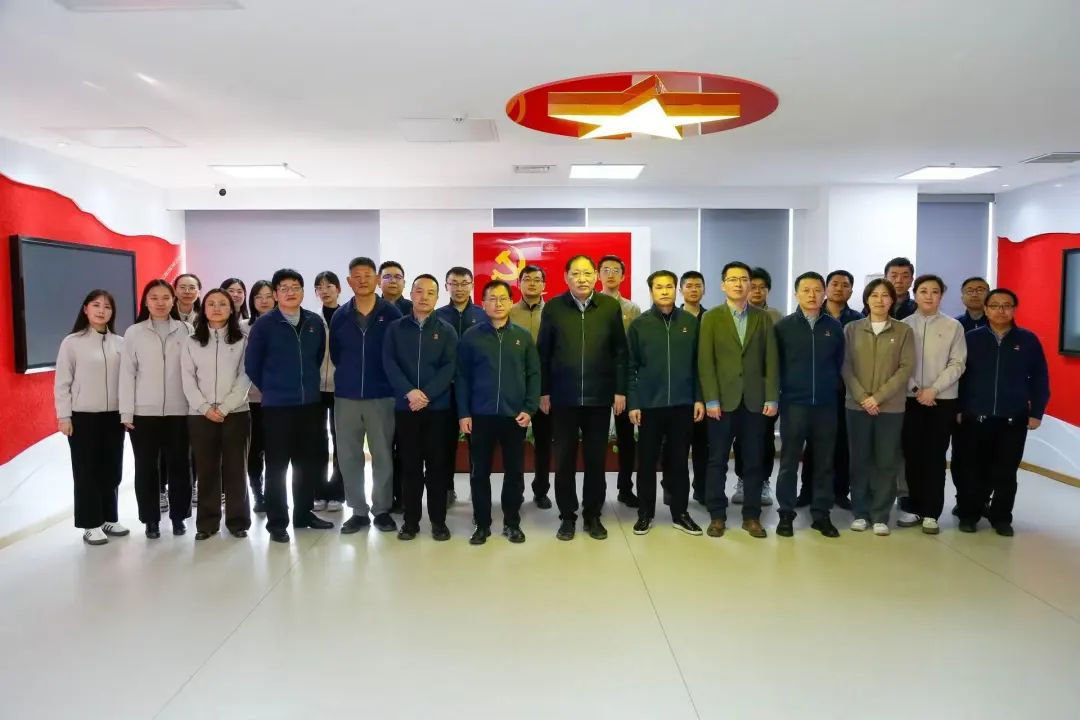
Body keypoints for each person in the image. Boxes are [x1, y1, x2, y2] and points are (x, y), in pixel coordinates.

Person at [537, 255, 628, 541]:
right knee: (564, 460)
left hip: (599, 398)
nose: (582, 278)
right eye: (575, 273)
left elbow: (620, 352)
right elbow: (543, 353)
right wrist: (544, 391)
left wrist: (620, 390)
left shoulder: (609, 307)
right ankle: (567, 516)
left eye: (587, 273)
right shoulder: (554, 308)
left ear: (595, 276)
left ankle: (593, 515)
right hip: (563, 398)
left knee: (595, 460)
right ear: (566, 277)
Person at [244, 269, 334, 543]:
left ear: (303, 291)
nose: (290, 292)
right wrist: (273, 388)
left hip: (309, 405)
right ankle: (277, 522)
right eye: (284, 288)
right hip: (277, 407)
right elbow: (252, 365)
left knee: (307, 463)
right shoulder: (264, 325)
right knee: (277, 466)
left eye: (296, 287)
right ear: (275, 294)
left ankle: (303, 514)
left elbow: (317, 357)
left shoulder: (314, 322)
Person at [955, 289, 1050, 536]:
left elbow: (1040, 378)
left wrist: (1036, 412)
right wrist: (959, 409)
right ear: (986, 310)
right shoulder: (970, 339)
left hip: (1013, 418)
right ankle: (969, 515)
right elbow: (959, 377)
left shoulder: (1028, 340)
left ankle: (1001, 518)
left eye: (1006, 305)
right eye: (995, 305)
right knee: (971, 470)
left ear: (1014, 309)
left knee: (1006, 472)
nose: (1001, 310)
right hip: (975, 417)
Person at [698, 261, 779, 539]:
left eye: (744, 279)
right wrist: (710, 399)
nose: (739, 284)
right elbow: (705, 361)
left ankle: (752, 516)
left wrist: (772, 396)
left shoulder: (762, 318)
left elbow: (771, 360)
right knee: (717, 461)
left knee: (754, 461)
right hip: (721, 403)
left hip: (755, 402)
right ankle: (717, 515)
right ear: (723, 285)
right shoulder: (711, 318)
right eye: (732, 279)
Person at [458, 279, 540, 544]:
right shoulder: (471, 336)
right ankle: (482, 524)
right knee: (479, 473)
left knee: (514, 472)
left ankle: (512, 523)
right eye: (492, 298)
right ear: (483, 303)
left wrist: (529, 408)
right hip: (480, 417)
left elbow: (534, 375)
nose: (498, 303)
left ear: (510, 302)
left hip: (514, 417)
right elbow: (462, 377)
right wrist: (463, 413)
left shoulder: (523, 337)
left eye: (503, 298)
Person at [627, 270, 704, 535]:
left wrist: (698, 398)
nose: (664, 291)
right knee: (646, 463)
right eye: (658, 287)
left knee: (679, 462)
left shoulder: (690, 323)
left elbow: (698, 365)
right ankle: (645, 513)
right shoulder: (639, 325)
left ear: (676, 290)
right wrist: (634, 402)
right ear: (651, 291)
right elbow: (630, 367)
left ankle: (680, 513)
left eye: (669, 286)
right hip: (650, 406)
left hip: (682, 405)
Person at [330, 257, 402, 536]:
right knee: (348, 456)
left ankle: (381, 510)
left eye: (367, 275)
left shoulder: (392, 314)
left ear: (377, 280)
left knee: (383, 454)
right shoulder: (340, 315)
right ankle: (358, 511)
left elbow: (397, 353)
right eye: (356, 276)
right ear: (349, 282)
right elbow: (336, 354)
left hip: (382, 395)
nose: (362, 280)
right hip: (346, 396)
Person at [384, 275, 458, 541]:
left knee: (437, 468)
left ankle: (438, 521)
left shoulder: (447, 330)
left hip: (438, 410)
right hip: (406, 409)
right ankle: (410, 522)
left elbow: (450, 366)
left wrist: (426, 394)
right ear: (411, 294)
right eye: (419, 291)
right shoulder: (395, 328)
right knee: (410, 467)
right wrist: (410, 392)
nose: (424, 296)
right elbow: (389, 363)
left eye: (430, 292)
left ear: (437, 297)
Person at [773, 272, 845, 538]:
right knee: (789, 462)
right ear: (796, 294)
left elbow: (839, 363)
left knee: (824, 462)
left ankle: (821, 514)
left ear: (824, 293)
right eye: (806, 290)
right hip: (795, 404)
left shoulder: (834, 327)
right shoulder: (783, 327)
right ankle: (786, 513)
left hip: (826, 405)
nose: (812, 295)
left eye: (817, 290)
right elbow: (776, 365)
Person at [119, 279, 192, 539]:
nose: (160, 303)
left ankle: (179, 517)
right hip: (143, 414)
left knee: (180, 466)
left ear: (173, 300)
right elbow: (127, 374)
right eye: (154, 298)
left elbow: (193, 371)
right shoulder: (134, 332)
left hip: (180, 412)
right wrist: (126, 412)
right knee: (146, 468)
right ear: (146, 301)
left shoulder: (186, 330)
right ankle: (150, 520)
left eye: (165, 297)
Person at [54, 290, 128, 546]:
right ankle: (90, 523)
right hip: (83, 417)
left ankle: (109, 518)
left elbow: (128, 381)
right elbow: (62, 383)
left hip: (114, 417)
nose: (101, 310)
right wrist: (64, 416)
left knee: (112, 469)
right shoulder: (72, 342)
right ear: (86, 309)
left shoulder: (120, 343)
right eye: (96, 305)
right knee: (87, 471)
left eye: (107, 306)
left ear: (112, 312)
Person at [842, 278, 914, 536]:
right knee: (859, 460)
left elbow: (905, 368)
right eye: (874, 295)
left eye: (885, 295)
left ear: (892, 300)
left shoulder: (903, 331)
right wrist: (863, 397)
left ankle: (881, 515)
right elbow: (845, 365)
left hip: (890, 408)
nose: (879, 300)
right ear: (866, 299)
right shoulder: (851, 329)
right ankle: (861, 513)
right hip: (856, 406)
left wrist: (878, 397)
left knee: (886, 461)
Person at [181, 288, 252, 540]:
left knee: (236, 469)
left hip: (236, 413)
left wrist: (224, 408)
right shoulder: (191, 342)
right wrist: (204, 408)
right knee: (206, 470)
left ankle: (238, 522)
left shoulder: (242, 340)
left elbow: (245, 377)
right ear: (204, 309)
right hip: (200, 415)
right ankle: (207, 523)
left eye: (223, 303)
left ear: (231, 309)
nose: (217, 308)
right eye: (211, 303)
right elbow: (187, 380)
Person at [900, 275, 966, 534]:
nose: (929, 296)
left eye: (935, 291)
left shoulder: (953, 326)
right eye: (924, 291)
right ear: (915, 294)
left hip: (942, 400)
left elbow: (957, 363)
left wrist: (934, 389)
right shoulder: (904, 325)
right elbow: (899, 364)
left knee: (935, 457)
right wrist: (916, 389)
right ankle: (913, 507)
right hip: (909, 399)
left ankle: (931, 512)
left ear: (941, 295)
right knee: (912, 455)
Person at [800, 269, 864, 509]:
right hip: (816, 390)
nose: (839, 288)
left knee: (843, 443)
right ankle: (807, 491)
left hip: (847, 390)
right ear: (826, 288)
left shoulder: (858, 319)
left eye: (845, 285)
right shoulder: (812, 313)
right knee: (813, 443)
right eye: (835, 284)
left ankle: (840, 492)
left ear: (851, 290)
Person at [436, 266, 486, 505]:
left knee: (476, 443)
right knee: (444, 443)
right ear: (446, 286)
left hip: (475, 391)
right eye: (453, 283)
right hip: (445, 390)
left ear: (472, 285)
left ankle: (477, 490)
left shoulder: (482, 314)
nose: (459, 288)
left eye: (464, 283)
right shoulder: (438, 316)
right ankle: (447, 488)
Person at [734, 266, 784, 507]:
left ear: (768, 291)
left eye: (762, 287)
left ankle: (763, 482)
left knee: (764, 438)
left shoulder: (775, 317)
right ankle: (742, 480)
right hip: (737, 390)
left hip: (766, 391)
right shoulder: (734, 314)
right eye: (752, 286)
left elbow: (779, 356)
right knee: (740, 439)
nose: (756, 291)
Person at [598, 254, 642, 508]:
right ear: (598, 275)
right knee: (597, 439)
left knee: (626, 438)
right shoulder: (592, 305)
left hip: (623, 380)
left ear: (623, 276)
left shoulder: (632, 309)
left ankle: (625, 488)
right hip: (598, 380)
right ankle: (598, 490)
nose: (611, 274)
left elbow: (634, 348)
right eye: (606, 270)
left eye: (616, 270)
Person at [509, 264, 552, 508]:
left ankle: (541, 490)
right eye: (527, 279)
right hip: (516, 387)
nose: (532, 283)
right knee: (515, 444)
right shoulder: (509, 312)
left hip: (545, 388)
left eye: (537, 279)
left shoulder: (554, 312)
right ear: (519, 283)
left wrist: (547, 389)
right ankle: (516, 491)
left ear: (544, 285)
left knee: (543, 444)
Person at [950, 275, 991, 515]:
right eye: (970, 290)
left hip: (991, 402)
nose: (975, 294)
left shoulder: (999, 325)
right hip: (962, 400)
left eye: (980, 289)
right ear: (962, 296)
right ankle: (963, 499)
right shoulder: (955, 326)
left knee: (989, 455)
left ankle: (983, 499)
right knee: (962, 455)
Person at [312, 270, 344, 512]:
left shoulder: (347, 317)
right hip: (315, 389)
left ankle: (337, 492)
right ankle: (318, 491)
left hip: (341, 388)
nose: (324, 291)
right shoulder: (312, 320)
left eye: (329, 286)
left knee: (340, 439)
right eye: (319, 287)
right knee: (317, 441)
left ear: (338, 289)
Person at [242, 279, 274, 513]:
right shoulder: (242, 327)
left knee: (275, 450)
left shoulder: (284, 324)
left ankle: (274, 494)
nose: (263, 301)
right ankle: (258, 494)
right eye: (258, 297)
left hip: (277, 399)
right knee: (254, 450)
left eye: (268, 296)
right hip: (250, 399)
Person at [679, 270, 709, 504]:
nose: (693, 289)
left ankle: (702, 489)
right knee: (676, 447)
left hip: (706, 392)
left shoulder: (712, 318)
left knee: (703, 446)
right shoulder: (672, 317)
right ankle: (675, 492)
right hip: (679, 391)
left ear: (704, 290)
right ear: (681, 290)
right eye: (689, 285)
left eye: (698, 285)